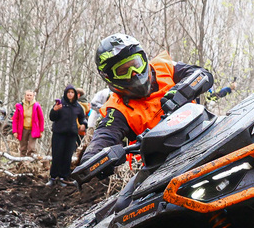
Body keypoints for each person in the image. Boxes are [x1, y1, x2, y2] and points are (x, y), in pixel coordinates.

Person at [81, 34, 213, 158]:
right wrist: (90, 159)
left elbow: (201, 74)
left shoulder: (164, 67)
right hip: (166, 161)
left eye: (136, 65)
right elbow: (105, 135)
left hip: (203, 134)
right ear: (110, 77)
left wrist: (181, 92)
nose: (134, 73)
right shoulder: (117, 109)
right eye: (123, 71)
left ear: (144, 59)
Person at [49, 85, 87, 183]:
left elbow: (82, 118)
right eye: (68, 92)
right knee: (57, 155)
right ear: (65, 93)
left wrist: (83, 124)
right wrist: (54, 110)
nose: (70, 94)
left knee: (67, 157)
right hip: (59, 133)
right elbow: (52, 117)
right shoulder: (60, 104)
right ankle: (53, 177)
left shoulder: (77, 106)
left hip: (71, 135)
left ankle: (63, 177)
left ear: (75, 94)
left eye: (72, 92)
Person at [13, 90, 44, 157]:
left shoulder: (37, 106)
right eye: (27, 95)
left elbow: (41, 119)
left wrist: (41, 131)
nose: (29, 97)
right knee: (23, 147)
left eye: (30, 95)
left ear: (33, 96)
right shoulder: (20, 106)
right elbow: (15, 119)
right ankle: (22, 161)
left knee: (31, 147)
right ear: (25, 96)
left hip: (33, 129)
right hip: (23, 129)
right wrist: (15, 131)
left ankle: (29, 161)